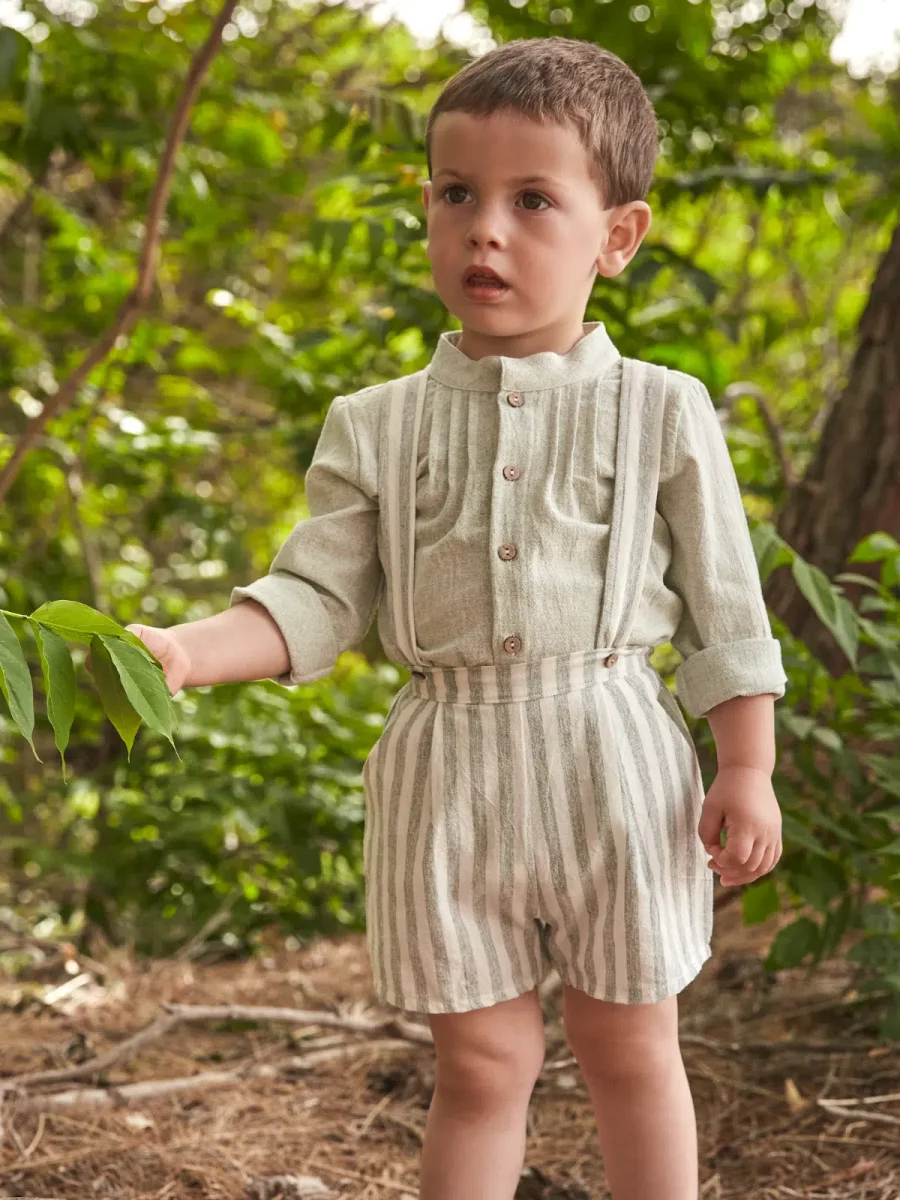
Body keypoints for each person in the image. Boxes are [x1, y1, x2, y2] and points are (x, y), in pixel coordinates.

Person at [125, 36, 788, 1200]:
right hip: (452, 777)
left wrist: (747, 765)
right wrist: (182, 652)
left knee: (628, 1045)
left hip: (615, 761)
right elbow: (316, 600)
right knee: (482, 1061)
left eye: (534, 200)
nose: (487, 228)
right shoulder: (375, 422)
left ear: (616, 237)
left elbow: (725, 609)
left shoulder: (660, 411)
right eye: (456, 193)